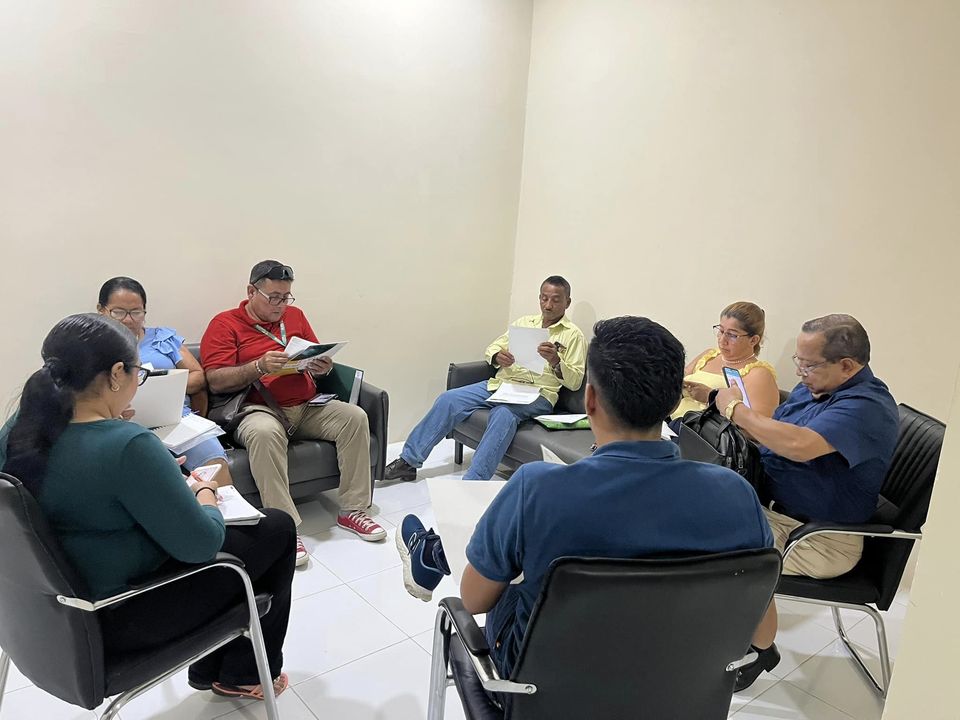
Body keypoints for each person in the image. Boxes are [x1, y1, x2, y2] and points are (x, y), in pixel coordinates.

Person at [397, 315, 777, 688]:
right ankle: (437, 551)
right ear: (673, 401)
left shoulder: (537, 487)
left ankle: (432, 552)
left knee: (516, 553)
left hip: (543, 690)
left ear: (590, 399)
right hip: (674, 687)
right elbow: (763, 635)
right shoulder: (736, 495)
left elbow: (474, 600)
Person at [0, 313, 295, 701]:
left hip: (42, 618)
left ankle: (220, 669)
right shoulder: (126, 445)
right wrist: (205, 493)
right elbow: (201, 545)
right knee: (276, 528)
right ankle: (242, 672)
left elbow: (81, 494)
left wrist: (148, 470)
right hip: (119, 616)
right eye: (138, 374)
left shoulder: (19, 428)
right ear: (116, 374)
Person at [714, 313, 898, 688]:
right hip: (778, 512)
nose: (800, 372)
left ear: (847, 365)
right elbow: (776, 434)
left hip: (821, 539)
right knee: (696, 515)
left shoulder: (867, 406)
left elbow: (798, 445)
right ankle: (721, 633)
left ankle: (759, 648)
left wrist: (735, 409)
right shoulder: (813, 388)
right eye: (798, 361)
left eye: (809, 365)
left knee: (715, 548)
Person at [201, 260, 385, 566]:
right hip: (257, 408)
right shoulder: (225, 323)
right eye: (273, 297)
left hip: (307, 404)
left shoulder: (295, 315)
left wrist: (321, 365)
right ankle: (285, 526)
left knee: (354, 417)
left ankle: (353, 510)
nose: (280, 305)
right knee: (264, 432)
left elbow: (313, 353)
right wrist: (258, 366)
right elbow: (215, 380)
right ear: (251, 291)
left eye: (286, 297)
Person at [383, 276, 586, 482]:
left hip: (539, 394)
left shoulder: (573, 335)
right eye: (544, 298)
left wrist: (555, 361)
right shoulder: (525, 323)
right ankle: (408, 462)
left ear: (567, 302)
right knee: (448, 399)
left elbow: (575, 381)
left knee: (503, 413)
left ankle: (473, 482)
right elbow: (493, 347)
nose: (548, 305)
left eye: (555, 300)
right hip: (503, 385)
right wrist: (498, 356)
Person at [96, 276, 234, 484]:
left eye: (136, 312)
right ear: (102, 310)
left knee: (214, 462)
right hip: (124, 425)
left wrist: (164, 384)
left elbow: (198, 377)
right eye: (119, 312)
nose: (128, 320)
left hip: (176, 420)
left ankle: (219, 504)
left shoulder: (163, 338)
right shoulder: (91, 348)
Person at [672, 301, 780, 420]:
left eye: (732, 335)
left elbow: (758, 425)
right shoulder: (709, 355)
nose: (722, 340)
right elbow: (678, 379)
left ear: (753, 340)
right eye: (721, 331)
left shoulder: (759, 374)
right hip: (670, 420)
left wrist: (710, 397)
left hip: (701, 429)